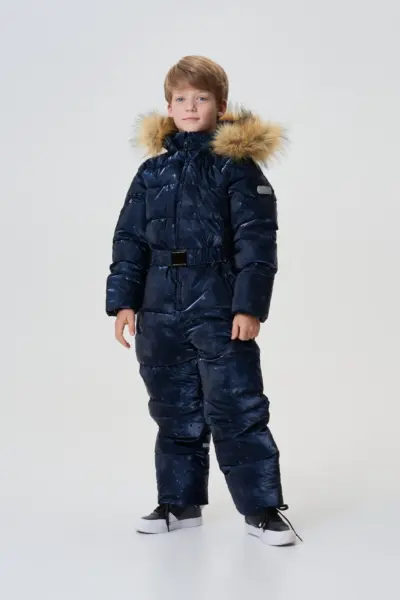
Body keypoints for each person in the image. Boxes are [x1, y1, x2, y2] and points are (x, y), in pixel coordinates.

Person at [106, 55, 302, 546]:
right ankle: (179, 502)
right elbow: (129, 240)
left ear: (221, 105)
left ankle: (262, 509)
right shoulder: (151, 173)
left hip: (217, 301)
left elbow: (257, 243)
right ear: (168, 106)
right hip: (158, 307)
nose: (191, 107)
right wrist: (124, 302)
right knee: (173, 408)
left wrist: (248, 306)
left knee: (236, 404)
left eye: (201, 98)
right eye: (181, 99)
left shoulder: (237, 169)